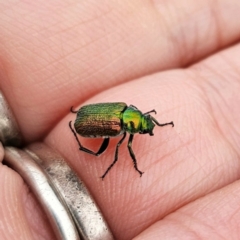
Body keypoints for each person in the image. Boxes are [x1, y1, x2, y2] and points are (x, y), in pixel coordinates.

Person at [0, 0, 240, 239]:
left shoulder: (128, 110)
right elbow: (119, 150)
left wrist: (157, 123)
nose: (147, 126)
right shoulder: (121, 126)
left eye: (145, 124)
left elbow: (143, 117)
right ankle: (77, 134)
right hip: (86, 124)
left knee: (119, 141)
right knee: (101, 152)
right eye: (145, 125)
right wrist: (129, 165)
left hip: (90, 114)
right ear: (131, 123)